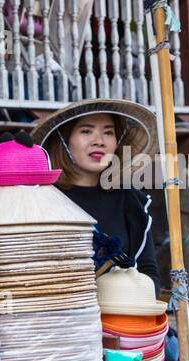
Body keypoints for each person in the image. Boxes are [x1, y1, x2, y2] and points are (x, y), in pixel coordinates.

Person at [31, 99, 161, 293]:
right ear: (64, 140)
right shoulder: (43, 199)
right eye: (86, 131)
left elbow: (149, 272)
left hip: (123, 313)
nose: (99, 141)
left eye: (108, 132)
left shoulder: (131, 200)